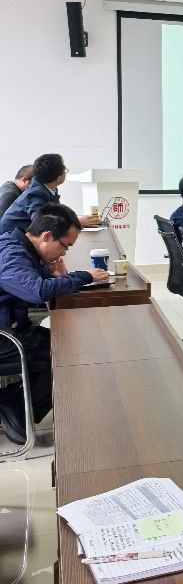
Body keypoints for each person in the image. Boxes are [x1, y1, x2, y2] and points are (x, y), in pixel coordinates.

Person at [0, 205, 111, 443]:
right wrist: (84, 276)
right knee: (70, 354)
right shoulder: (10, 253)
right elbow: (36, 291)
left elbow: (27, 285)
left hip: (11, 328)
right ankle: (15, 405)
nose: (64, 253)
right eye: (65, 246)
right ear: (47, 236)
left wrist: (55, 276)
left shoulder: (22, 248)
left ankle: (15, 402)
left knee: (67, 343)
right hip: (4, 337)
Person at [0, 153, 97, 235]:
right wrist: (75, 224)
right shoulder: (35, 193)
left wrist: (73, 221)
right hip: (11, 242)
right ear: (59, 178)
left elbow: (56, 214)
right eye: (65, 171)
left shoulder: (49, 188)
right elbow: (42, 223)